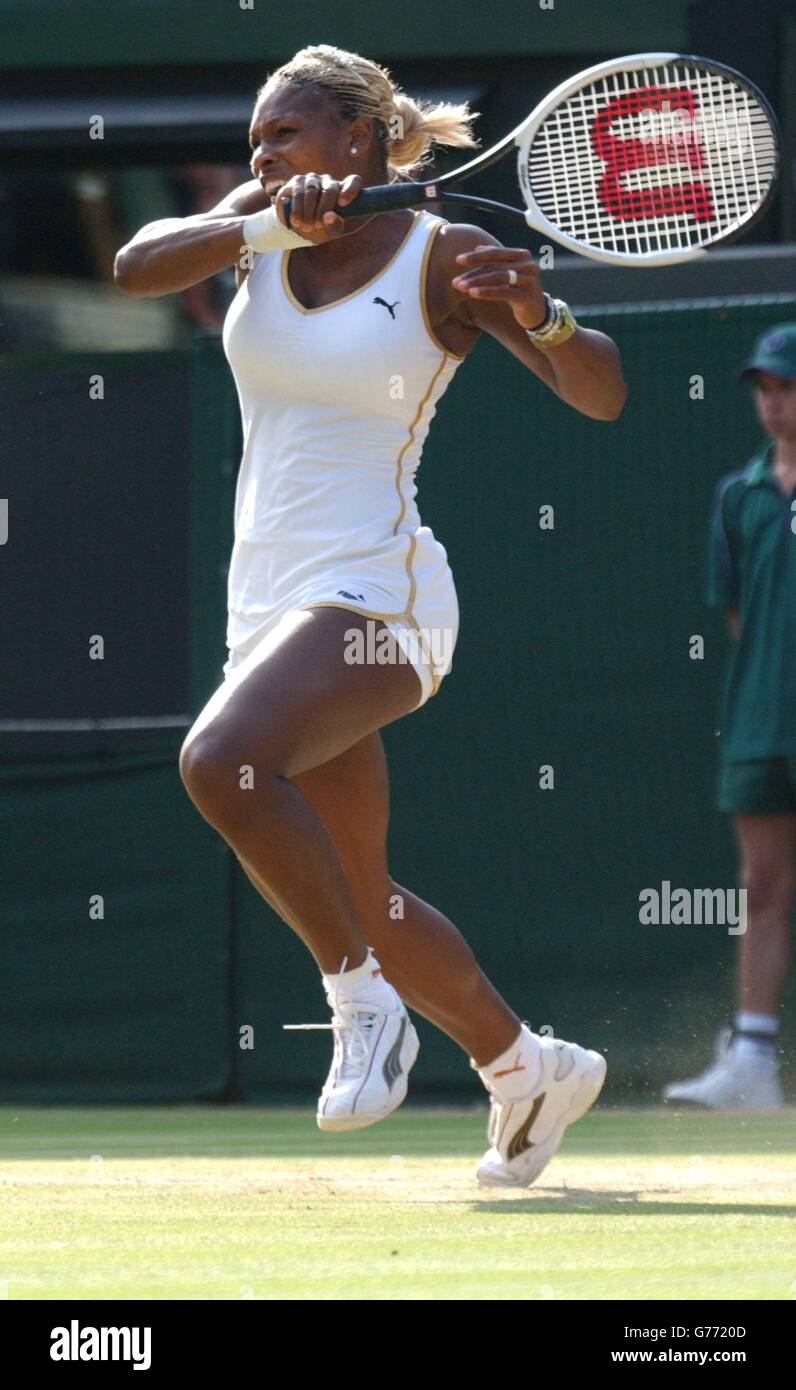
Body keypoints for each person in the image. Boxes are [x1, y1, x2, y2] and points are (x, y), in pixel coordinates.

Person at [114, 44, 626, 1186]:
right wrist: (260, 221)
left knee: (220, 761)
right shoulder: (257, 220)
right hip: (268, 607)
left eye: (285, 135)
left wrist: (542, 318)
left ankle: (360, 1005)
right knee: (366, 891)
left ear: (358, 139)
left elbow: (600, 393)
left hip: (380, 597)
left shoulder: (445, 255)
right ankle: (523, 1066)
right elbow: (135, 264)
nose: (263, 155)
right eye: (256, 139)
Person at [664, 324, 796, 1109]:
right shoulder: (736, 496)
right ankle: (753, 1063)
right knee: (762, 886)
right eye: (765, 390)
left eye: (787, 388)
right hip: (759, 722)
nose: (775, 404)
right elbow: (740, 616)